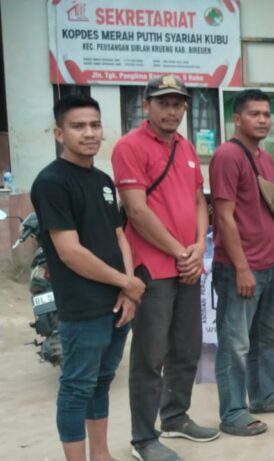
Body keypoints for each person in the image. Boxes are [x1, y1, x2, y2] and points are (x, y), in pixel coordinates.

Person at [31, 95, 146, 461]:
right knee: (77, 386)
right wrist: (126, 283)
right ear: (59, 133)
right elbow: (70, 251)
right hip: (83, 305)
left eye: (95, 125)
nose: (89, 133)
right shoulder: (51, 182)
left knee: (101, 381)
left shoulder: (102, 180)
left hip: (117, 303)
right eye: (78, 126)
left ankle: (101, 454)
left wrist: (128, 289)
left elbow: (119, 236)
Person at [112, 75, 218, 461]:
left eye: (178, 104)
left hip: (187, 265)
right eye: (163, 103)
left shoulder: (186, 148)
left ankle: (175, 416)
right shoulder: (129, 147)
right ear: (146, 105)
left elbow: (199, 201)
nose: (172, 111)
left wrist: (198, 246)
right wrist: (180, 251)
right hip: (152, 270)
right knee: (149, 356)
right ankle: (143, 438)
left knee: (187, 348)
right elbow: (136, 211)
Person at [209, 89, 274, 437]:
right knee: (236, 343)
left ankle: (263, 395)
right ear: (237, 119)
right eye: (254, 114)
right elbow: (224, 216)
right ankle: (233, 412)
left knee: (269, 335)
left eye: (266, 114)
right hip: (240, 267)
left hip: (269, 263)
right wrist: (242, 267)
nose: (262, 120)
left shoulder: (265, 158)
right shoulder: (227, 156)